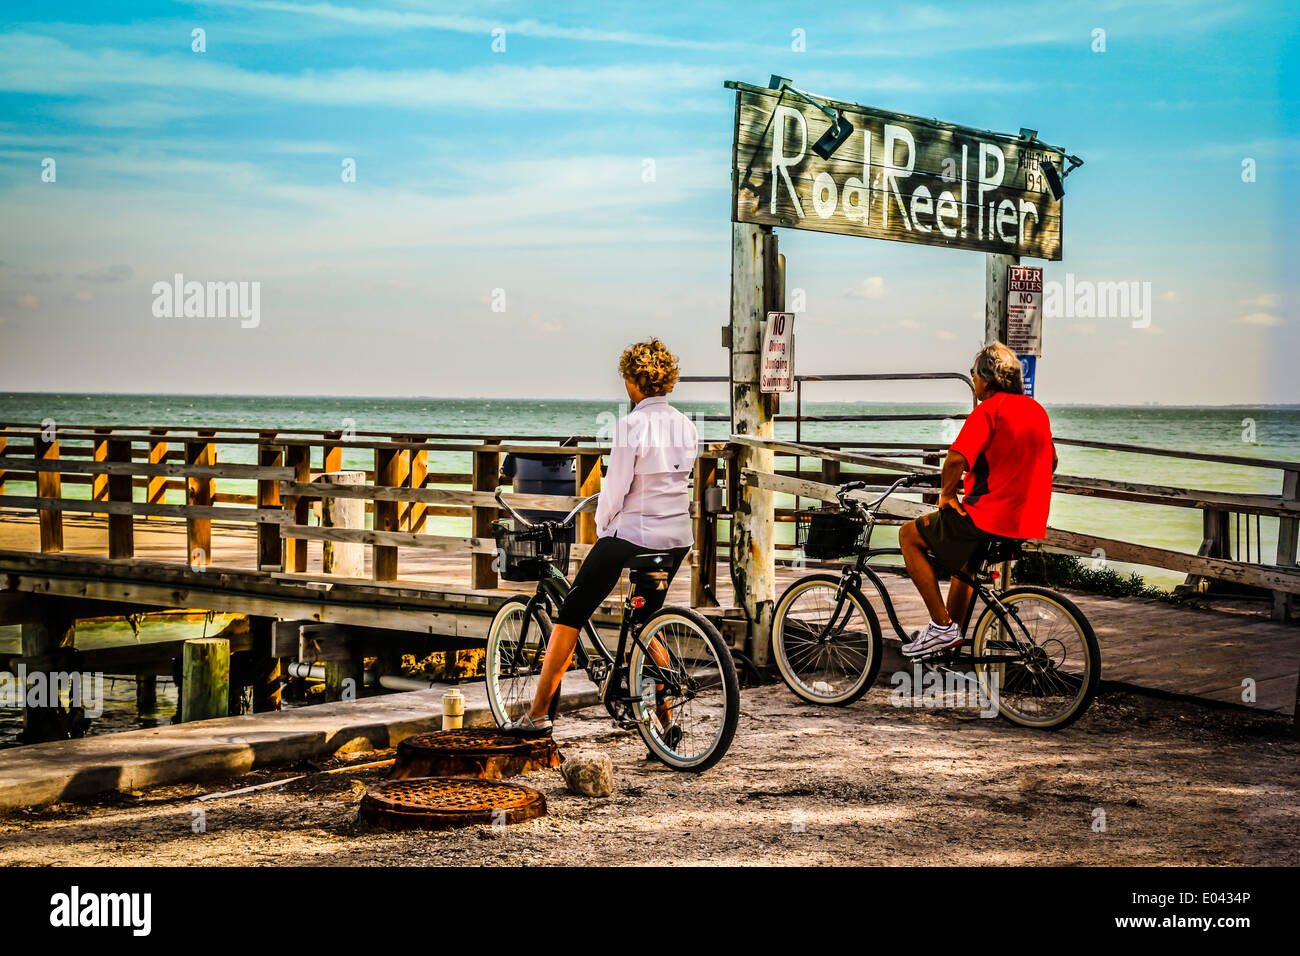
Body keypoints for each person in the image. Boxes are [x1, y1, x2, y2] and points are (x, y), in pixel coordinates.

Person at [502, 338, 698, 736]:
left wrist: (602, 528)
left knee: (572, 612)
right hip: (677, 537)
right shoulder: (686, 424)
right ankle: (665, 722)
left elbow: (615, 490)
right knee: (646, 623)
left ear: (632, 382)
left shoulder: (631, 426)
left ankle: (538, 714)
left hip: (634, 535)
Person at [897, 343, 1058, 658]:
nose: (972, 378)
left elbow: (955, 458)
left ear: (988, 377)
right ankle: (949, 642)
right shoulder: (1036, 411)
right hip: (1026, 520)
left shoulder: (989, 409)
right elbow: (1050, 461)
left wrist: (946, 495)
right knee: (965, 566)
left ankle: (941, 628)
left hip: (988, 517)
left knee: (909, 535)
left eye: (974, 373)